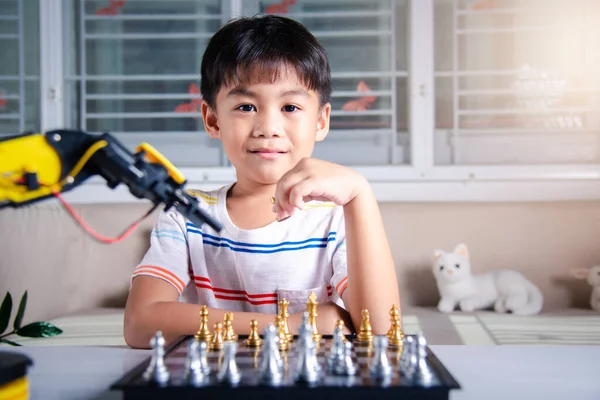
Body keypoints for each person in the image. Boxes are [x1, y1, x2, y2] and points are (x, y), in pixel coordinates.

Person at [123, 14, 400, 349]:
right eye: (246, 106)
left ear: (321, 121)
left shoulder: (336, 218)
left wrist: (360, 194)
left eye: (290, 106)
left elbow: (382, 330)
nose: (268, 127)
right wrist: (286, 325)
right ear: (213, 120)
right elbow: (140, 325)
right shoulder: (186, 216)